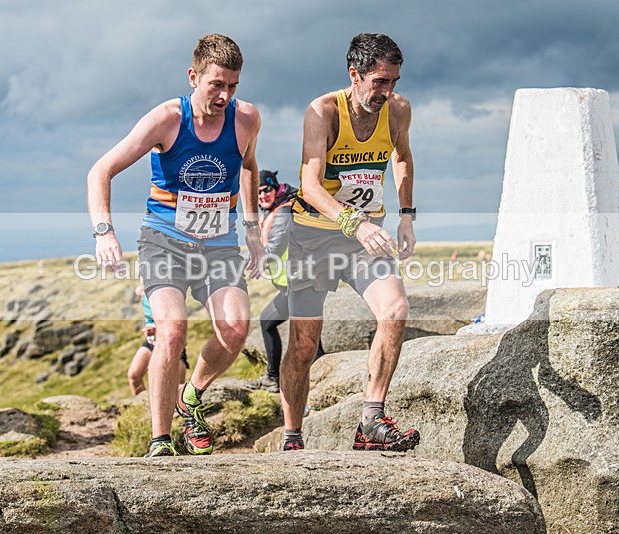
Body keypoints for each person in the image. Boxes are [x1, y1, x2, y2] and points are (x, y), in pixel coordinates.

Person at [88, 34, 264, 457]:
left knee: (236, 328)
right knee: (171, 330)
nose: (225, 95)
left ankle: (192, 397)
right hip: (164, 241)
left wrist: (254, 229)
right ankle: (160, 440)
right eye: (216, 85)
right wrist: (103, 231)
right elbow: (100, 170)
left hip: (219, 244)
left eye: (233, 86)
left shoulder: (246, 119)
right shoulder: (167, 119)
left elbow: (249, 167)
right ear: (193, 76)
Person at [281, 33, 419, 452]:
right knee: (304, 346)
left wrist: (406, 217)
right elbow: (309, 184)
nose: (388, 90)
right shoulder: (322, 112)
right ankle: (292, 437)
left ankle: (370, 421)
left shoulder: (397, 110)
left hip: (365, 238)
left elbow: (402, 156)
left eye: (393, 80)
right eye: (379, 81)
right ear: (354, 74)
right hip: (314, 237)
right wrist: (354, 223)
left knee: (395, 310)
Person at [246, 170, 324, 393]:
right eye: (258, 193)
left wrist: (239, 261)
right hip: (296, 283)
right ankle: (309, 381)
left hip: (299, 283)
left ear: (275, 188)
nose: (262, 196)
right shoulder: (274, 210)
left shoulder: (284, 211)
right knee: (307, 336)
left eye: (266, 190)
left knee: (270, 323)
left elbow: (274, 248)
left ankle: (275, 378)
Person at [127, 280, 188, 396]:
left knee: (174, 383)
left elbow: (176, 322)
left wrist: (156, 329)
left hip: (170, 342)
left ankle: (179, 407)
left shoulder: (168, 291)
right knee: (134, 375)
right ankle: (142, 405)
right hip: (151, 341)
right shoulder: (144, 292)